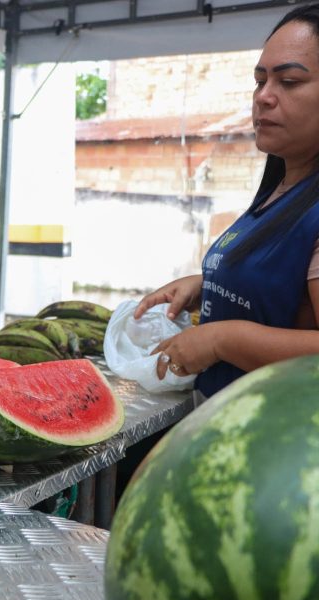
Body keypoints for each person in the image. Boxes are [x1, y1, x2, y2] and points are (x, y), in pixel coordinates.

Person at [134, 3, 319, 399]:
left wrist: (222, 340)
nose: (263, 97)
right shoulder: (281, 192)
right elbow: (287, 284)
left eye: (288, 81)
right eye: (259, 81)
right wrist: (211, 283)